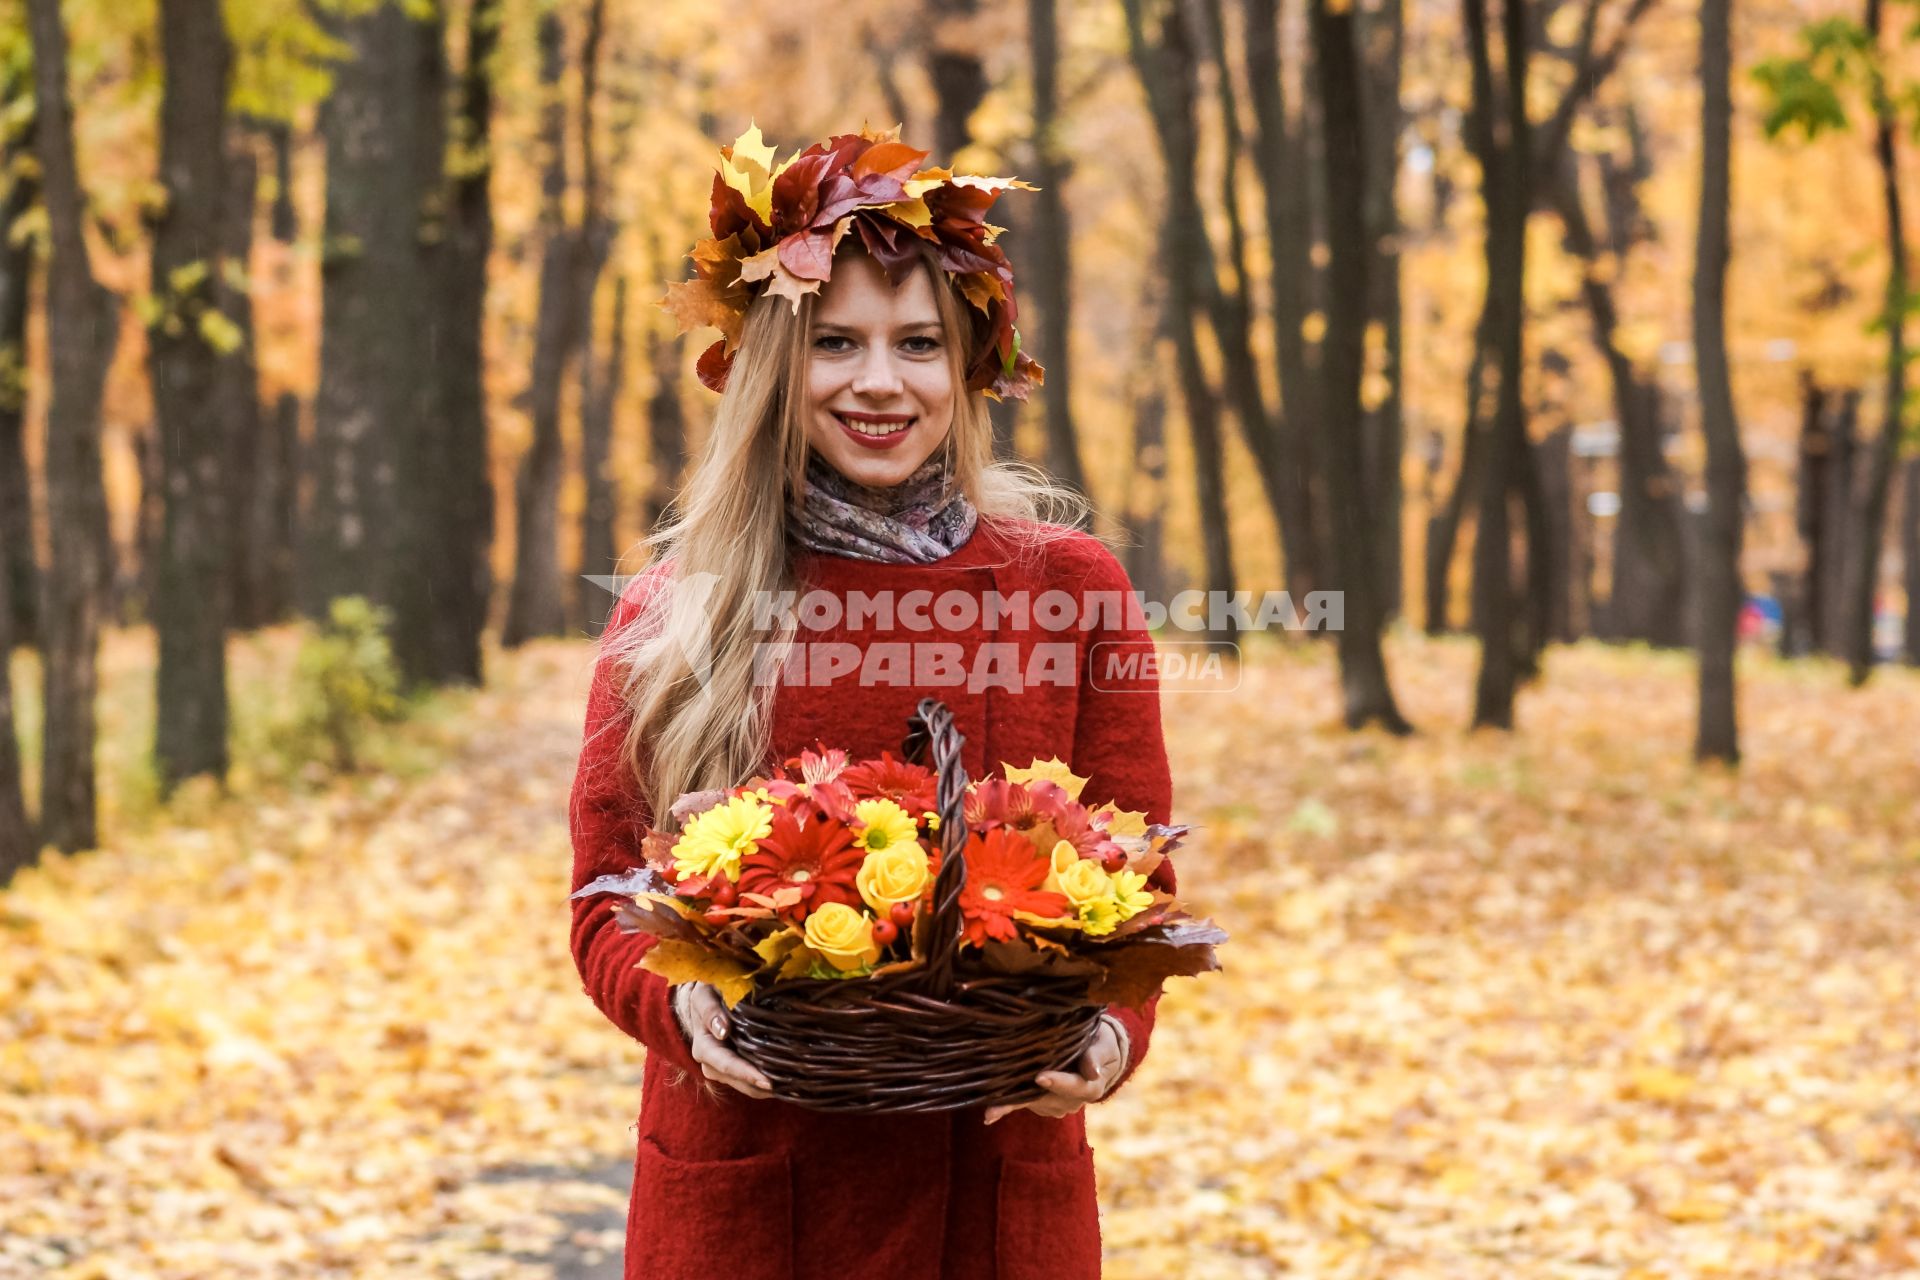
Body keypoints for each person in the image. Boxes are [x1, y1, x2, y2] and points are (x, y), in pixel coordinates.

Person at [567, 125, 1178, 1280]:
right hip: (752, 1195)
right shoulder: (679, 607)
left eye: (919, 344)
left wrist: (1110, 1035)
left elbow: (1139, 882)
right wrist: (678, 1008)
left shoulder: (1069, 588)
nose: (881, 382)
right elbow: (604, 893)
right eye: (835, 343)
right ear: (772, 368)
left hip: (994, 1198)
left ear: (968, 367)